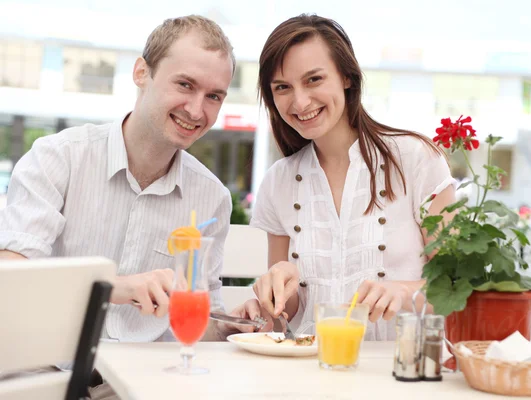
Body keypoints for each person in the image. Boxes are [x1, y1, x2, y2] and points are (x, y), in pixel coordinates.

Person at [0, 15, 235, 343]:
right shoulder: (58, 157)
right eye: (185, 85)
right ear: (142, 73)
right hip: (46, 370)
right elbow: (10, 277)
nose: (197, 111)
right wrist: (111, 287)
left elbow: (204, 321)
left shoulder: (212, 197)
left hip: (143, 384)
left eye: (214, 96)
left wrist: (234, 326)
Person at [230, 14, 456, 341]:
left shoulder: (415, 158)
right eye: (283, 87)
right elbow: (285, 316)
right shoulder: (278, 181)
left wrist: (405, 292)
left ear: (347, 77)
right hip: (307, 371)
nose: (300, 101)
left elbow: (457, 287)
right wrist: (270, 298)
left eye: (314, 80)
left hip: (400, 371)